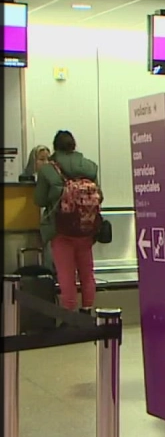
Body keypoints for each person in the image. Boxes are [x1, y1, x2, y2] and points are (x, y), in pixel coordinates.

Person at [35, 130, 100, 311]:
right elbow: (99, 195)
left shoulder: (48, 170)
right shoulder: (90, 167)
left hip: (61, 229)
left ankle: (70, 316)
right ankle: (87, 311)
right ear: (74, 145)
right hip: (85, 228)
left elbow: (39, 200)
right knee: (87, 273)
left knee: (66, 275)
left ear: (55, 147)